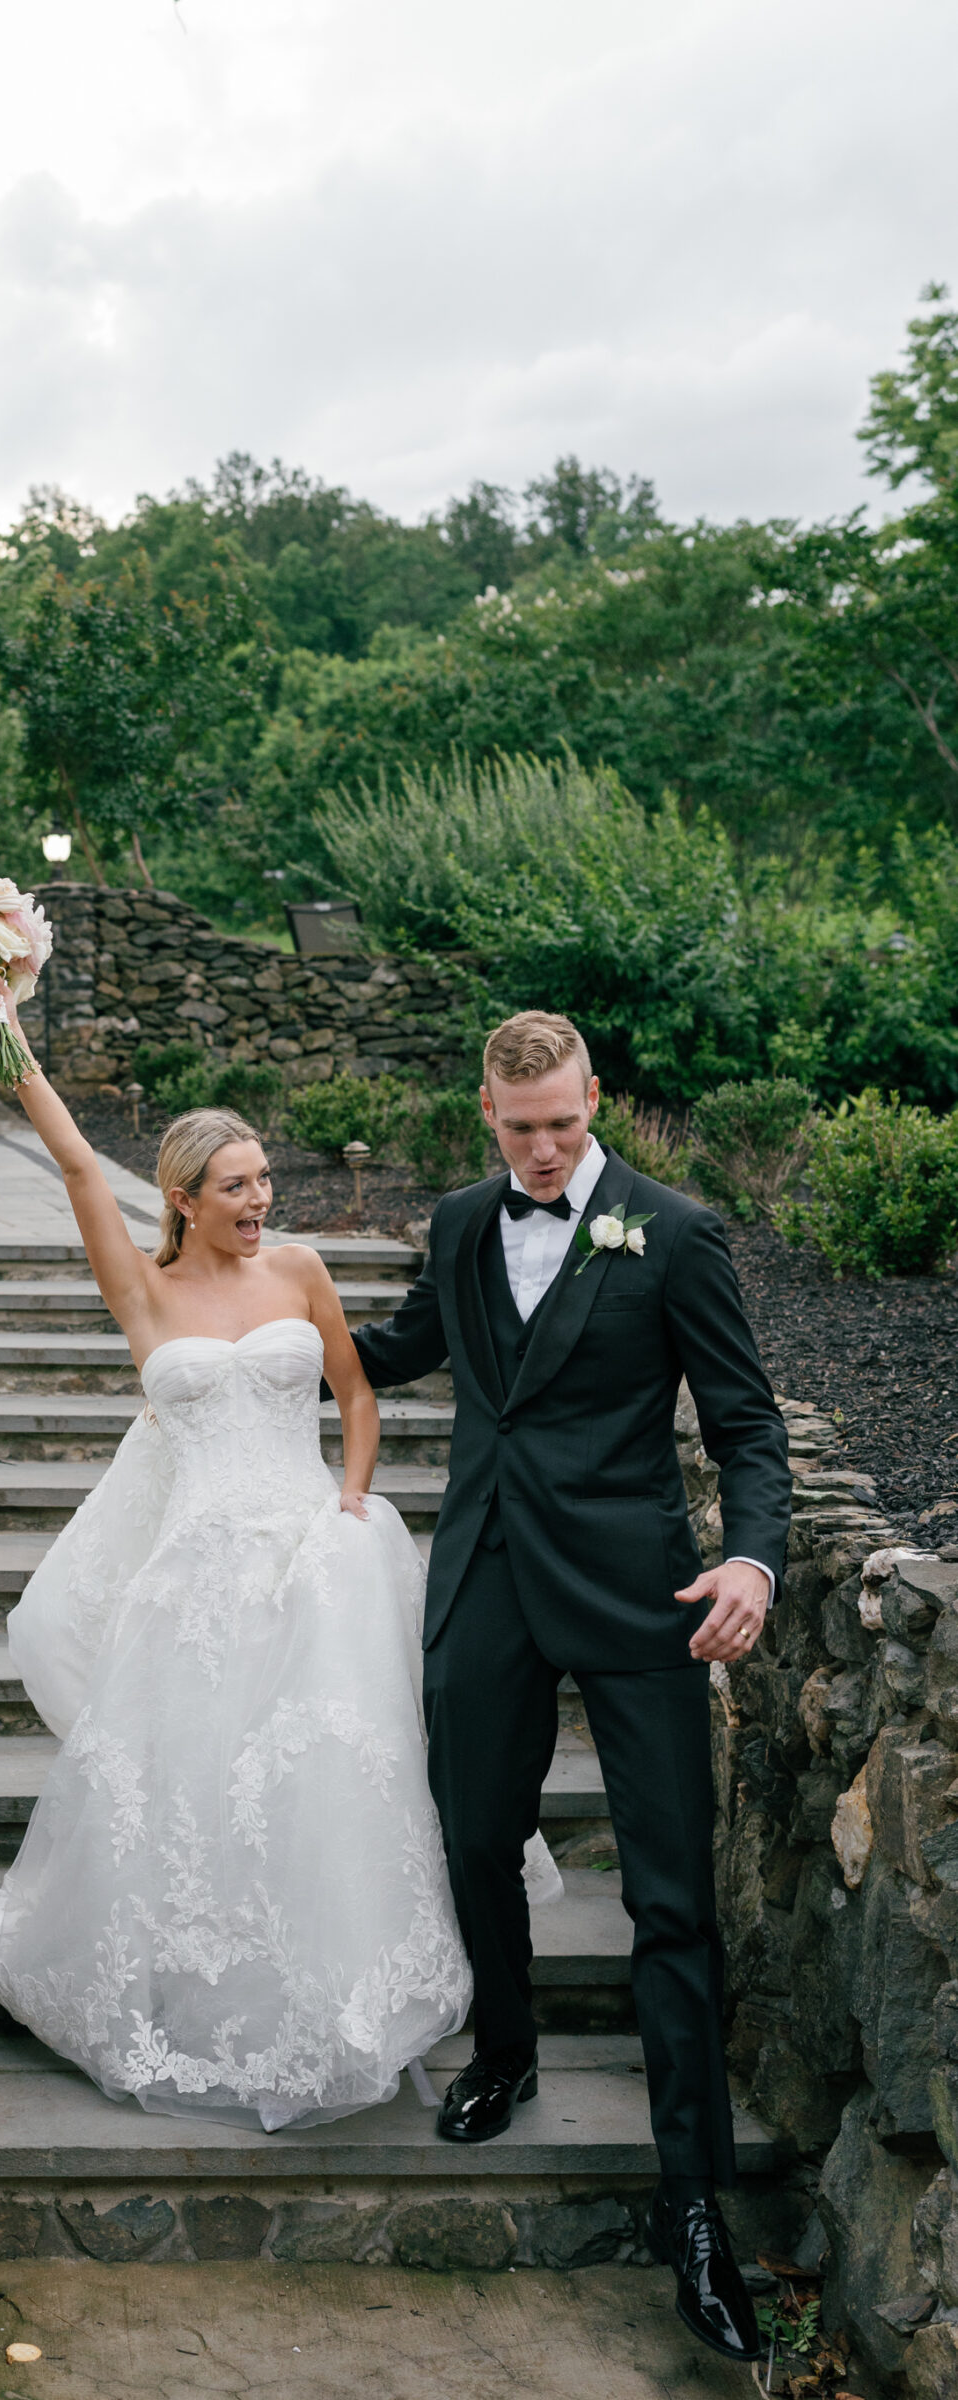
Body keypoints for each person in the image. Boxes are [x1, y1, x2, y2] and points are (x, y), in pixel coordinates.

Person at [0, 968, 559, 2132]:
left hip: (310, 1547)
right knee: (194, 1787)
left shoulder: (298, 1269)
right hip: (192, 1570)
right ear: (182, 1199)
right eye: (236, 1187)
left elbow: (354, 1392)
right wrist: (4, 1039)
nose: (260, 1201)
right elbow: (82, 1166)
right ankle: (196, 1986)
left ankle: (346, 1986)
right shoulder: (140, 1293)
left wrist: (347, 1499)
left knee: (327, 1774)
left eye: (265, 1181)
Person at [354, 1008, 790, 2366]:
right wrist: (245, 1311)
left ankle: (693, 2206)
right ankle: (505, 2045)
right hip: (483, 1578)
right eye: (517, 1126)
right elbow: (398, 1347)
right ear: (483, 1108)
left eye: (563, 1124)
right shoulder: (452, 1220)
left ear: (593, 1098)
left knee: (667, 1895)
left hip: (637, 1593)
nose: (542, 1151)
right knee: (474, 1833)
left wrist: (753, 1566)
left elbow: (746, 1426)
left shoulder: (674, 1233)